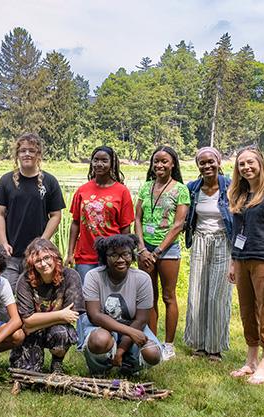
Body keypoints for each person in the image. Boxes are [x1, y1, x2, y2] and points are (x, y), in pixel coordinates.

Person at [227, 146, 264, 385]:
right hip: (242, 260)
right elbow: (237, 232)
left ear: (260, 163)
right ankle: (250, 360)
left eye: (251, 162)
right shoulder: (240, 194)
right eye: (242, 164)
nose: (246, 167)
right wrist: (233, 261)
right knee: (247, 311)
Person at [0, 133, 65, 321]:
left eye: (31, 150)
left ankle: (30, 332)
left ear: (38, 154)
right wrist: (3, 242)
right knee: (4, 296)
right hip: (11, 253)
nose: (27, 154)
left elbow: (56, 215)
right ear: (17, 154)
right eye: (23, 150)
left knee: (34, 296)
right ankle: (3, 333)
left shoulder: (49, 182)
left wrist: (43, 241)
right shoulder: (7, 181)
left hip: (37, 255)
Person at [134, 145, 189, 361]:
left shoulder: (180, 189)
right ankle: (152, 341)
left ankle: (169, 345)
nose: (159, 165)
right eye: (156, 161)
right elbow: (137, 218)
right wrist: (141, 248)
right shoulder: (146, 187)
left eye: (164, 161)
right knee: (149, 297)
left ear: (173, 164)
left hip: (167, 250)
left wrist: (157, 251)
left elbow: (178, 225)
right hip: (144, 249)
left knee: (168, 296)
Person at [80, 234, 162, 376]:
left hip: (133, 324)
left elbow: (141, 320)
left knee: (152, 353)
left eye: (126, 254)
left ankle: (130, 365)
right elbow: (95, 316)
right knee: (99, 340)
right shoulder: (93, 276)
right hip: (100, 327)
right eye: (114, 255)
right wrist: (130, 332)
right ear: (104, 257)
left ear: (132, 255)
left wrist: (121, 350)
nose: (121, 260)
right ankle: (99, 368)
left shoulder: (142, 279)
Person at [183, 146, 233, 362]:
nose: (207, 166)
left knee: (218, 294)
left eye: (210, 161)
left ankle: (215, 347)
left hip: (223, 241)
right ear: (198, 166)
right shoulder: (193, 188)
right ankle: (199, 344)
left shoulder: (231, 185)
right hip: (200, 241)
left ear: (218, 161)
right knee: (197, 292)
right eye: (202, 163)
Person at [9, 238, 83, 374]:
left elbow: (71, 316)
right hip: (30, 333)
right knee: (28, 373)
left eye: (47, 258)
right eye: (37, 261)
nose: (43, 264)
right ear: (32, 264)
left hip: (47, 329)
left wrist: (34, 322)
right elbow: (27, 319)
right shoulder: (24, 280)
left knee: (62, 333)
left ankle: (57, 363)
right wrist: (60, 314)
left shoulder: (71, 276)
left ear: (55, 257)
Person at [66, 145, 134, 283]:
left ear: (112, 163)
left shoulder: (122, 191)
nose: (99, 164)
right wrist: (69, 253)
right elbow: (75, 223)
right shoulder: (82, 190)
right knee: (87, 296)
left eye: (104, 160)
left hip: (112, 255)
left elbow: (125, 228)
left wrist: (126, 255)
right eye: (96, 160)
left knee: (111, 298)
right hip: (85, 256)